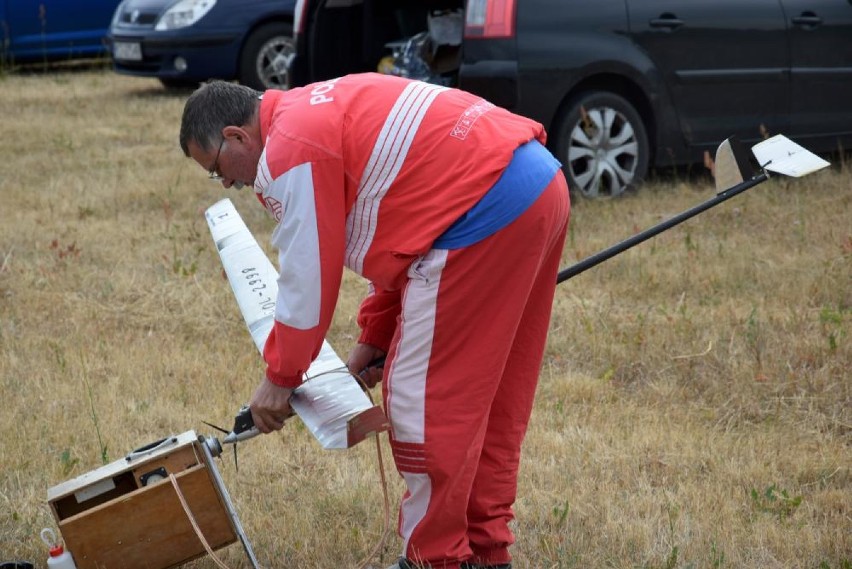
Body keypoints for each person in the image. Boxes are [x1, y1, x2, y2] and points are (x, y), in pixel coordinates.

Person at [179, 73, 570, 569]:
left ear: (237, 136)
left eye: (218, 169)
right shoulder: (312, 110)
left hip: (478, 213)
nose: (230, 184)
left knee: (421, 404)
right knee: (492, 401)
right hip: (537, 185)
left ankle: (436, 558)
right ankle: (487, 551)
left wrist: (280, 378)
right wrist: (375, 338)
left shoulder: (290, 149)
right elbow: (400, 219)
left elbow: (308, 274)